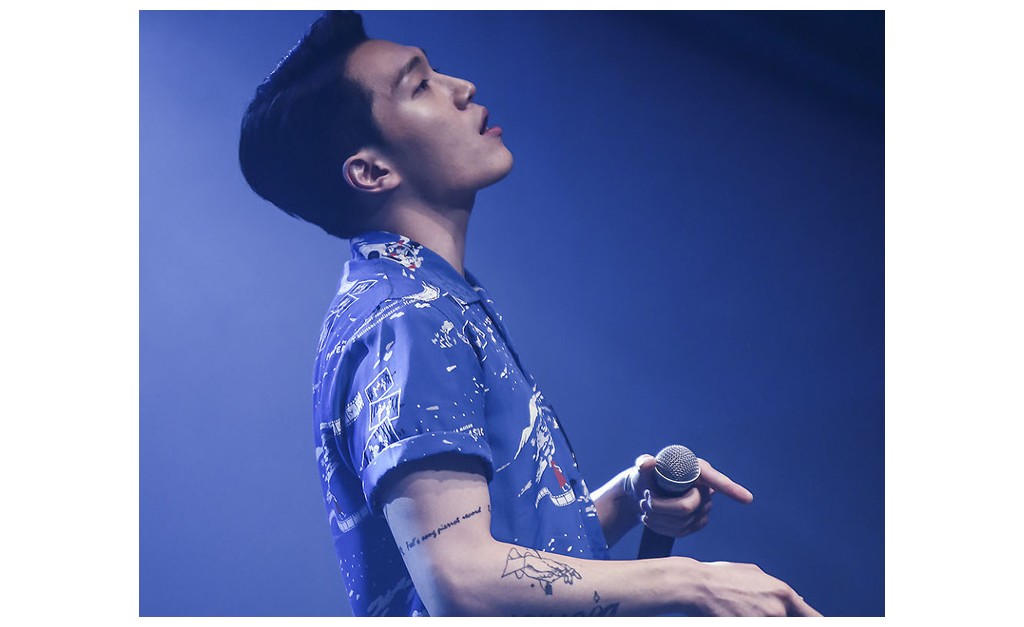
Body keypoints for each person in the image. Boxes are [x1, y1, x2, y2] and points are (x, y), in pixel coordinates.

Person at [238, 10, 821, 617]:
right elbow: (461, 578)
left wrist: (627, 498)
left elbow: (508, 561)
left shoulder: (430, 298)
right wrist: (690, 581)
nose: (462, 88)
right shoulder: (408, 317)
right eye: (420, 85)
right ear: (371, 171)